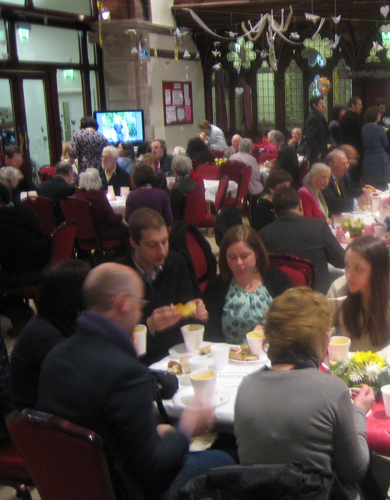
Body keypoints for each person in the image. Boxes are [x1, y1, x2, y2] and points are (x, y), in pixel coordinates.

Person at [36, 263, 234, 500]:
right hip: (125, 490)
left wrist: (152, 432)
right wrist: (185, 429)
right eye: (139, 305)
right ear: (124, 303)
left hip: (69, 488)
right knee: (227, 460)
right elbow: (154, 475)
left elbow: (98, 429)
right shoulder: (126, 373)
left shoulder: (54, 357)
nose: (140, 314)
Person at [235, 287, 374, 500]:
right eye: (327, 329)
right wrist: (359, 412)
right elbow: (355, 470)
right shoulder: (332, 390)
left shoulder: (246, 387)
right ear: (316, 337)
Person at [116, 208, 207, 364]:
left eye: (165, 241)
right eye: (152, 245)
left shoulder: (177, 262)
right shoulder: (119, 275)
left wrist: (196, 310)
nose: (162, 251)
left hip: (177, 354)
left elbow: (188, 304)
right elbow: (114, 336)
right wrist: (148, 326)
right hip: (137, 362)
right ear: (133, 243)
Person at [10, 259, 90, 410]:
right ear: (74, 296)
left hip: (57, 405)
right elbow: (80, 384)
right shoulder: (46, 337)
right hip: (41, 422)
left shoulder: (56, 318)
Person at [328, 236, 390, 363]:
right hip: (348, 370)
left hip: (389, 370)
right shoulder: (339, 288)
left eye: (358, 269)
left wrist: (369, 362)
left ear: (376, 271)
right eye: (347, 266)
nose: (348, 275)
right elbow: (323, 331)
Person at [203, 225, 293, 344]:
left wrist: (270, 330)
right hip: (229, 355)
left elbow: (293, 319)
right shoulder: (217, 285)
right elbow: (211, 334)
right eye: (232, 257)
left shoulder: (277, 278)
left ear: (257, 253)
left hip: (272, 352)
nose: (239, 263)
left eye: (244, 256)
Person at [260, 186, 345, 294]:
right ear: (300, 205)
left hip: (279, 300)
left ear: (275, 212)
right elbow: (341, 261)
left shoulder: (263, 234)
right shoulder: (319, 226)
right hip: (317, 298)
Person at [0, 183, 50, 336]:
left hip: (22, 272)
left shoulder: (3, 222)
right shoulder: (25, 211)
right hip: (41, 264)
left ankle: (21, 315)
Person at [74, 167, 130, 244]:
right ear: (98, 181)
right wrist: (120, 215)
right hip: (101, 233)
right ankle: (120, 255)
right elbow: (112, 220)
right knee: (126, 229)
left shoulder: (76, 196)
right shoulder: (98, 196)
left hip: (81, 234)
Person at [322, 149, 372, 215]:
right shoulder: (324, 179)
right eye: (343, 164)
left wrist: (362, 189)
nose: (346, 168)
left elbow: (348, 190)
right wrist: (357, 202)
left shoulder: (339, 176)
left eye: (347, 164)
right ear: (331, 165)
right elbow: (333, 203)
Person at [362, 106, 390, 190]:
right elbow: (385, 143)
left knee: (370, 185)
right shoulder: (379, 129)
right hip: (379, 158)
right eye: (379, 114)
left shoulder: (364, 128)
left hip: (368, 157)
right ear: (376, 116)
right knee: (381, 185)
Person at [339, 96, 364, 184]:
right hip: (351, 151)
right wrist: (357, 151)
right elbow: (354, 137)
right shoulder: (351, 118)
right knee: (353, 176)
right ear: (353, 106)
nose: (362, 106)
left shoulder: (349, 116)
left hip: (350, 150)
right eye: (359, 105)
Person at [169, 154, 200, 222]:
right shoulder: (194, 184)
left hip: (178, 224)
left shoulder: (176, 189)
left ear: (175, 170)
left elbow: (172, 212)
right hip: (192, 222)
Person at [305, 96, 330, 164]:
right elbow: (311, 137)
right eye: (321, 104)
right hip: (317, 153)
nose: (323, 106)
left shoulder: (319, 116)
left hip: (322, 150)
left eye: (323, 103)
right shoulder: (313, 118)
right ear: (314, 105)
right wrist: (318, 152)